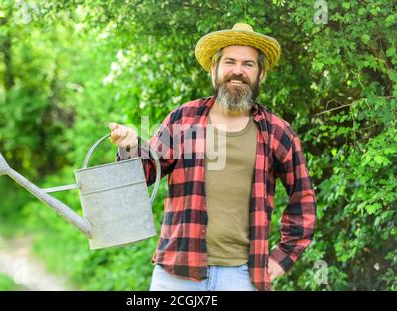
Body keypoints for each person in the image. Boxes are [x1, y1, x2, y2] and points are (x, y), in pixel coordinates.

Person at [109, 23, 317, 291]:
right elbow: (146, 172)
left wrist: (281, 258)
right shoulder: (184, 119)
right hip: (177, 273)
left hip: (243, 276)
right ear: (214, 69)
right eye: (230, 61)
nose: (238, 71)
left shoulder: (277, 132)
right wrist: (129, 146)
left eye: (248, 64)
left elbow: (303, 198)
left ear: (261, 74)